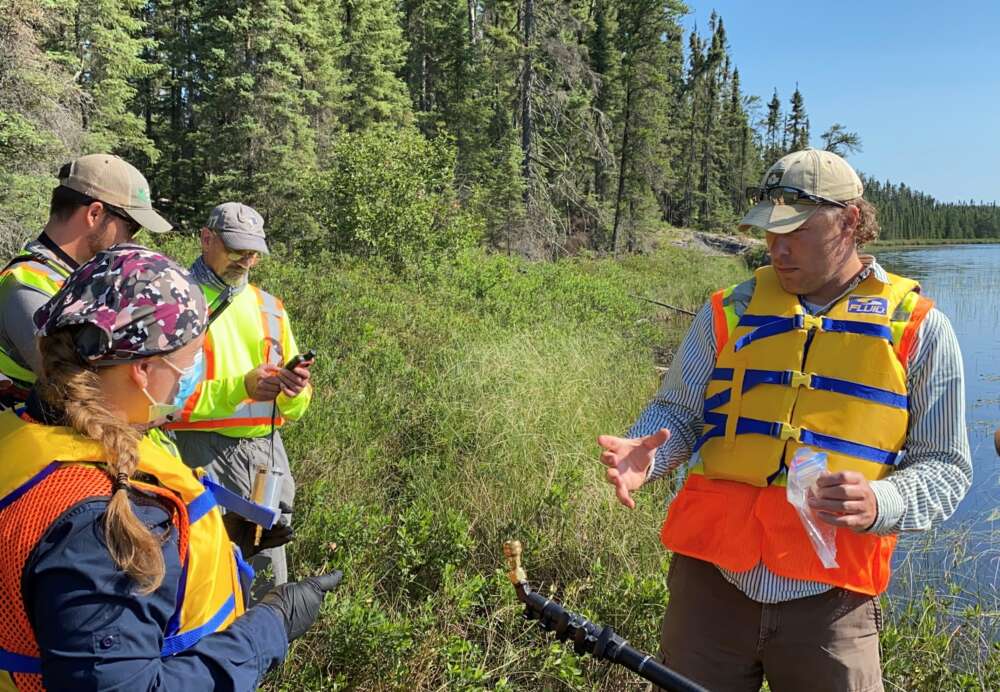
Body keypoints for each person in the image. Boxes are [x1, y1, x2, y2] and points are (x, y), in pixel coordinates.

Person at [598, 149, 971, 691]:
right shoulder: (728, 310)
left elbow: (946, 467)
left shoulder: (920, 329)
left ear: (848, 221)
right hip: (711, 588)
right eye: (768, 230)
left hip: (831, 604)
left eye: (794, 229)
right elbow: (678, 413)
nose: (776, 245)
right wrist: (650, 453)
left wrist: (882, 502)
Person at [0, 245, 339, 690]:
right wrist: (269, 627)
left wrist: (216, 539)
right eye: (190, 359)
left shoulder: (24, 430)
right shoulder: (105, 524)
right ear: (142, 370)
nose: (190, 375)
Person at [167, 202, 313, 598]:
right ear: (206, 238)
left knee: (267, 580)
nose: (246, 260)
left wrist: (295, 391)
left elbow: (296, 408)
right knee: (198, 575)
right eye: (236, 249)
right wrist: (241, 389)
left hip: (265, 457)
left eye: (253, 253)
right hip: (195, 456)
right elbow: (160, 398)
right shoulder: (175, 298)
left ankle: (262, 655)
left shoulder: (270, 307)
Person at [0, 153, 173, 407]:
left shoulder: (79, 278)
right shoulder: (25, 286)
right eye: (132, 227)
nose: (133, 242)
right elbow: (81, 392)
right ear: (94, 214)